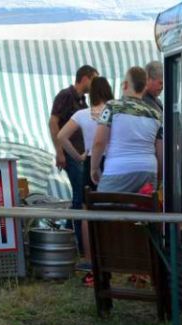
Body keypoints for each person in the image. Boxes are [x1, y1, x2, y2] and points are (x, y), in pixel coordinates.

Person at [58, 75, 114, 279]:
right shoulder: (115, 112)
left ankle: (90, 259)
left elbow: (61, 136)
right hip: (113, 161)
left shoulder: (82, 114)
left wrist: (78, 156)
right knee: (114, 209)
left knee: (87, 211)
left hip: (91, 160)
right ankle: (113, 257)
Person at [90, 66, 162, 193]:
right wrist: (158, 175)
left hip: (118, 170)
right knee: (144, 205)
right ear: (145, 87)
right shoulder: (155, 114)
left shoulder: (112, 107)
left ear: (125, 85)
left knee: (103, 203)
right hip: (148, 171)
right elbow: (160, 151)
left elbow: (99, 142)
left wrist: (94, 168)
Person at [49, 64, 98, 251]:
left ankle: (69, 237)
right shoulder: (66, 96)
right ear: (85, 78)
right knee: (80, 195)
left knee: (80, 195)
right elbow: (53, 122)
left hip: (80, 154)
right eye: (94, 79)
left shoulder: (83, 101)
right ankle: (79, 244)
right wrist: (60, 151)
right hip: (71, 154)